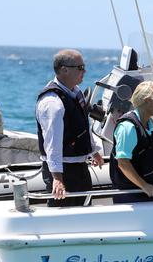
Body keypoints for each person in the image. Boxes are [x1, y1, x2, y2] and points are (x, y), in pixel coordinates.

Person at [35, 49, 104, 207]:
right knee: (62, 217)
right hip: (63, 170)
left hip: (79, 167)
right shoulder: (52, 103)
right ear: (64, 70)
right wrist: (58, 179)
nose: (84, 71)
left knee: (85, 211)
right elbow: (51, 143)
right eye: (80, 68)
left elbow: (83, 126)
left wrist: (93, 150)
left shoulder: (76, 92)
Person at [110, 81, 153, 204]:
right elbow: (123, 163)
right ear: (147, 101)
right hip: (130, 195)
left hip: (152, 191)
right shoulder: (128, 127)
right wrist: (144, 186)